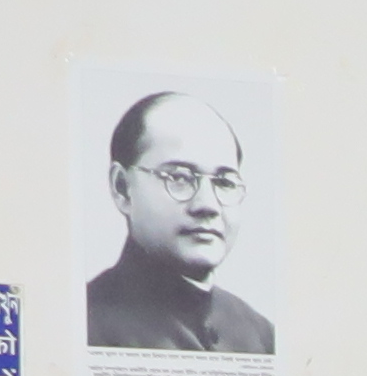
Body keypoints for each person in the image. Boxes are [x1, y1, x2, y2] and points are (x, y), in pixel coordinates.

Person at [82, 86, 276, 353]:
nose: (207, 205)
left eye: (224, 182)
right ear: (122, 188)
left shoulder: (260, 334)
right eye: (179, 177)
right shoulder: (87, 323)